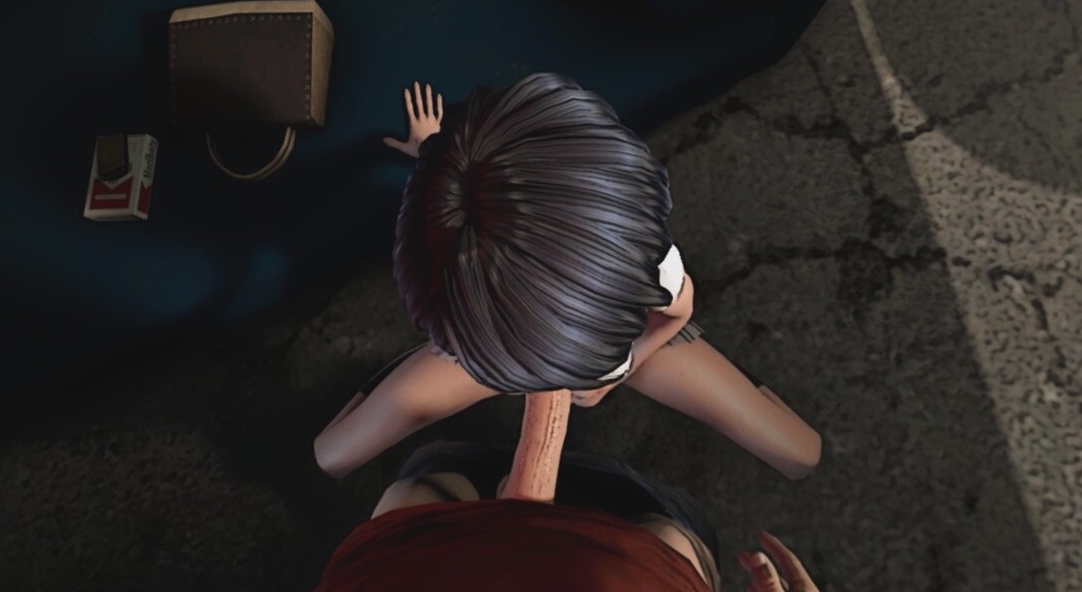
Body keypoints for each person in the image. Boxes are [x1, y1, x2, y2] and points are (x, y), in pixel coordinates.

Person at [315, 74, 822, 482]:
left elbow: (678, 308)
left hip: (542, 354)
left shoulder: (637, 269)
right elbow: (679, 308)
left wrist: (619, 369)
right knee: (332, 454)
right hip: (529, 353)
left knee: (801, 453)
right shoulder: (638, 264)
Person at [257, 441, 856, 592]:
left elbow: (335, 451)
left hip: (410, 575)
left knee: (426, 486)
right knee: (669, 533)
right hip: (644, 579)